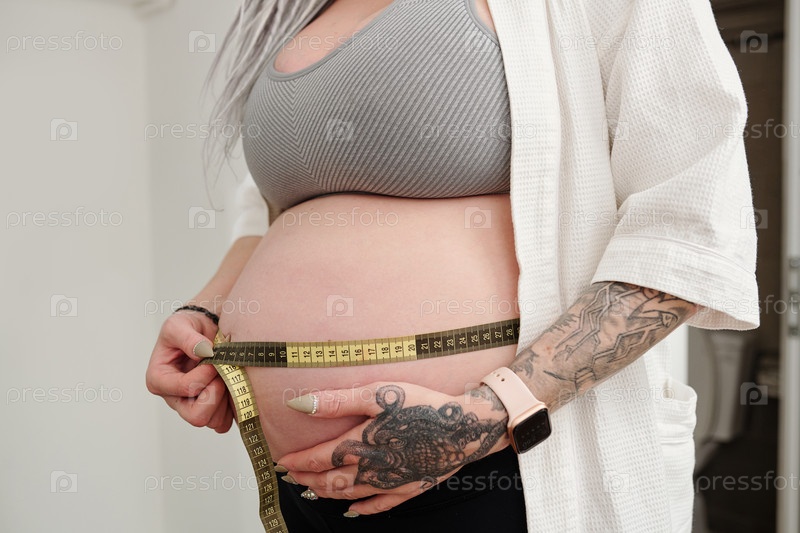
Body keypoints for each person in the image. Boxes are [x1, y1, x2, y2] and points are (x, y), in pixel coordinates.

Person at [145, 0, 760, 531]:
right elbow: (270, 215)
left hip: (507, 460)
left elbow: (692, 222)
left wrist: (491, 415)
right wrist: (209, 310)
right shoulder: (295, 10)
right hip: (302, 487)